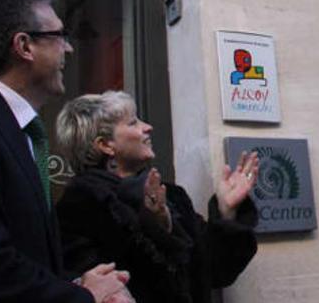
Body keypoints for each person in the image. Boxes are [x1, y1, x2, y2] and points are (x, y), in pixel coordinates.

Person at [0, 0, 132, 302]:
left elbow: (25, 255)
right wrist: (84, 298)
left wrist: (74, 285)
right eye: (58, 37)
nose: (68, 48)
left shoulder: (20, 130)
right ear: (24, 46)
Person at [54, 91, 259, 303]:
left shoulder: (173, 197)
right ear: (106, 145)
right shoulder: (82, 206)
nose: (147, 127)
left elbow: (215, 272)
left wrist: (227, 211)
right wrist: (157, 229)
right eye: (133, 123)